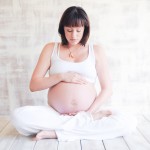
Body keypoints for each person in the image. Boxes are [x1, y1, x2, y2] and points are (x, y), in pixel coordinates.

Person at [11, 6, 137, 141]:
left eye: (78, 30)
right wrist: (61, 76)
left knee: (128, 122)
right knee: (18, 117)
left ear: (85, 29)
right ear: (62, 29)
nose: (74, 35)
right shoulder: (50, 49)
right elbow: (34, 85)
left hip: (89, 112)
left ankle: (58, 133)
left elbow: (107, 89)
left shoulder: (96, 51)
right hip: (55, 114)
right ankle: (80, 126)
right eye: (69, 30)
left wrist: (88, 113)